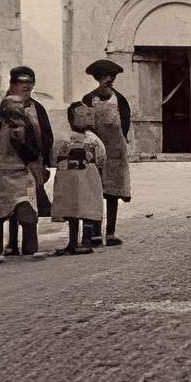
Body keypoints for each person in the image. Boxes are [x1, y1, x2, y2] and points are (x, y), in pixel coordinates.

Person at [0, 94, 43, 260]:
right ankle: (2, 248)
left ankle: (25, 248)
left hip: (14, 174)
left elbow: (33, 152)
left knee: (24, 210)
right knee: (0, 213)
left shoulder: (23, 129)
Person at [80, 59, 132, 246]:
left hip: (115, 150)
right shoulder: (88, 100)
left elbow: (125, 123)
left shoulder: (120, 100)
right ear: (98, 79)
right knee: (94, 190)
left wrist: (120, 143)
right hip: (94, 151)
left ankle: (110, 233)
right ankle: (94, 232)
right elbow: (82, 124)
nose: (107, 82)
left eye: (110, 79)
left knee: (113, 193)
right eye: (103, 78)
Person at [49, 102, 107, 256]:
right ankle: (73, 242)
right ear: (71, 119)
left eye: (85, 115)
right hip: (69, 181)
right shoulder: (65, 138)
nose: (83, 119)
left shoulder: (92, 140)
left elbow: (101, 157)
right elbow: (55, 156)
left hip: (87, 180)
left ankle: (87, 240)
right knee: (71, 210)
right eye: (79, 115)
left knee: (87, 210)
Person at [4, 65, 54, 223]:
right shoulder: (6, 107)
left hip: (36, 160)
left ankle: (39, 212)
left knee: (36, 189)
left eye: (29, 82)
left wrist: (45, 159)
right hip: (15, 161)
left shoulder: (37, 108)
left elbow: (47, 134)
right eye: (21, 82)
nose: (25, 86)